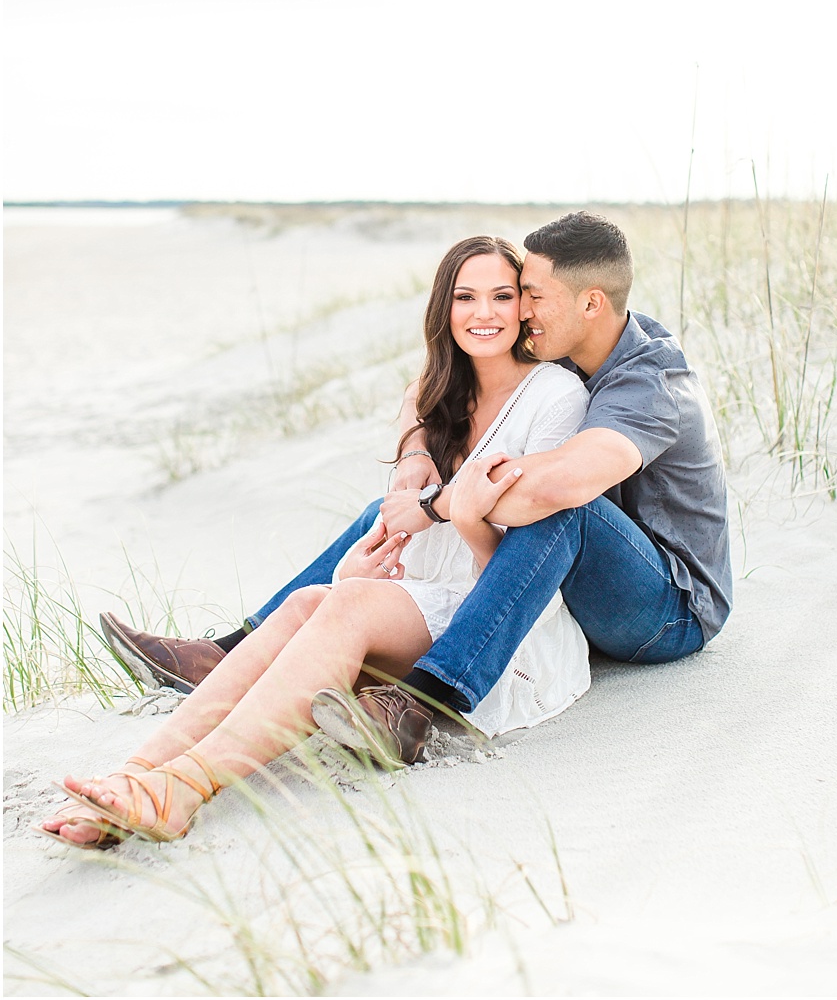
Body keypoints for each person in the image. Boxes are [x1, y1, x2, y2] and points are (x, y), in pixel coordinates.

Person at [65, 211, 730, 800]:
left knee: (560, 505)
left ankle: (429, 697)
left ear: (591, 303)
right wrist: (416, 468)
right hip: (578, 577)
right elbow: (440, 382)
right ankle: (238, 649)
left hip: (667, 606)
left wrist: (444, 505)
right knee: (384, 519)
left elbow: (558, 487)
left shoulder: (648, 380)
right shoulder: (576, 341)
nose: (520, 310)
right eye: (510, 293)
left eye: (530, 295)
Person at [42, 236, 595, 845]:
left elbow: (525, 567)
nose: (484, 313)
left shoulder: (555, 397)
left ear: (525, 307)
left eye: (502, 296)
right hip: (423, 599)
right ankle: (135, 775)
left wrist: (455, 518)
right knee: (312, 601)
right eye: (466, 297)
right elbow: (412, 499)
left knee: (343, 602)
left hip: (499, 633)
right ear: (444, 309)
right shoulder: (441, 395)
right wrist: (370, 564)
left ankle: (182, 788)